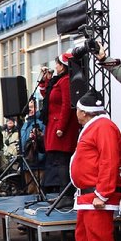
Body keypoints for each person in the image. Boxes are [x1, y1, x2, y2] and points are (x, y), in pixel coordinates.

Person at [58, 89, 121, 241]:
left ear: (83, 111)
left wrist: (102, 193)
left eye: (77, 110)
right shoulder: (96, 126)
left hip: (97, 195)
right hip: (88, 195)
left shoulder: (103, 127)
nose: (75, 113)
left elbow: (109, 161)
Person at [38, 52, 80, 194]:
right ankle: (63, 193)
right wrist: (45, 81)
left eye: (57, 63)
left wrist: (61, 127)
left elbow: (66, 105)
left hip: (61, 126)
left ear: (63, 66)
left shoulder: (66, 81)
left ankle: (66, 194)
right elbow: (48, 97)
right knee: (57, 160)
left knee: (62, 160)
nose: (55, 66)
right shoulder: (59, 81)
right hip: (54, 125)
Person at [19, 99, 45, 193]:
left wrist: (40, 158)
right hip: (27, 163)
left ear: (36, 108)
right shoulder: (25, 124)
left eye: (31, 107)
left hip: (38, 163)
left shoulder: (41, 123)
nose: (29, 110)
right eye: (28, 108)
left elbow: (43, 142)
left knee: (39, 190)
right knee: (30, 190)